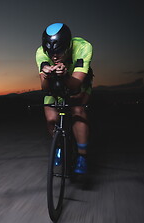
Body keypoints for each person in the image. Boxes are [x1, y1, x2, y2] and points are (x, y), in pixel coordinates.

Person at [36, 23, 93, 174]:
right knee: (50, 117)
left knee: (78, 111)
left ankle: (82, 156)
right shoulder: (41, 52)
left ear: (68, 45)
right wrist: (47, 76)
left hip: (78, 81)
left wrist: (66, 75)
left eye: (59, 51)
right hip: (55, 83)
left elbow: (76, 84)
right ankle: (59, 147)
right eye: (50, 52)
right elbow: (45, 88)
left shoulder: (83, 47)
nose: (54, 56)